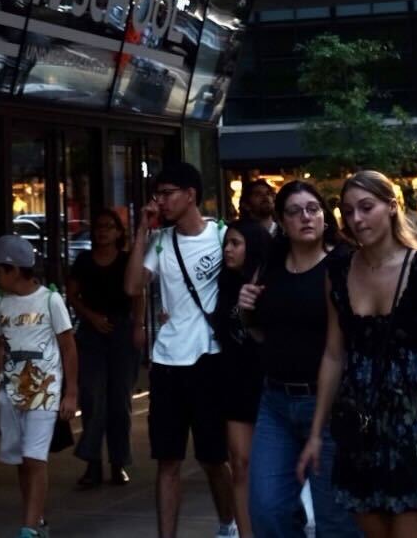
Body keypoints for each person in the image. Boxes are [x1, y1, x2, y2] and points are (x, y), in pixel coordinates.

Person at [296, 170, 417, 537]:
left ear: (391, 207)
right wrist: (316, 433)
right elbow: (334, 355)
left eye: (366, 207)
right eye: (349, 210)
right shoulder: (337, 272)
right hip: (359, 432)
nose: (356, 219)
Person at [237, 180, 360, 537]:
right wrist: (245, 310)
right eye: (294, 211)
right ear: (281, 221)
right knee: (266, 510)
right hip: (275, 402)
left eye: (313, 209)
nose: (305, 217)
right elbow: (260, 333)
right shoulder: (270, 265)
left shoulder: (344, 264)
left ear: (325, 217)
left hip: (331, 404)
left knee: (335, 520)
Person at [125, 161, 237, 538]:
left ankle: (228, 524)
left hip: (210, 356)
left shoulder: (222, 235)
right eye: (157, 194)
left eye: (168, 193)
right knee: (167, 459)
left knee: (213, 457)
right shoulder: (161, 242)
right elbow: (131, 286)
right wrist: (142, 229)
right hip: (168, 360)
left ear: (190, 195)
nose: (161, 201)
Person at [0, 235, 77, 538]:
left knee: (35, 458)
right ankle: (35, 518)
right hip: (11, 392)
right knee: (22, 460)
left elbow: (68, 346)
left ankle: (28, 528)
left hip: (44, 391)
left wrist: (71, 392)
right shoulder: (1, 303)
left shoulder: (50, 300)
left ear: (12, 270)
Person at [67, 209, 143, 488]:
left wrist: (138, 326)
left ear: (118, 232)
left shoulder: (125, 261)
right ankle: (92, 462)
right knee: (92, 397)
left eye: (109, 227)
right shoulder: (84, 260)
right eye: (98, 226)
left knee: (119, 400)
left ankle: (118, 462)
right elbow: (72, 293)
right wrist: (90, 316)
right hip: (92, 333)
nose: (102, 231)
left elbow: (137, 293)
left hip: (121, 331)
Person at [212, 219, 273, 535]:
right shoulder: (225, 283)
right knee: (239, 463)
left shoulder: (271, 281)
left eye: (235, 243)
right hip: (235, 381)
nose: (228, 250)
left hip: (269, 381)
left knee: (274, 469)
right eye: (226, 243)